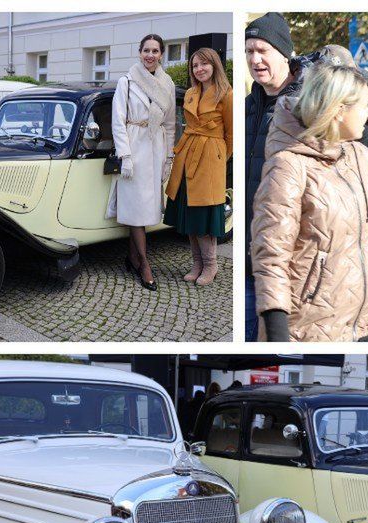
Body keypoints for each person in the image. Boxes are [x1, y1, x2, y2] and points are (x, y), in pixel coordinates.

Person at [249, 64, 368, 341]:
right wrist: (275, 327)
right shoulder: (288, 165)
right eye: (365, 106)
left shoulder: (361, 156)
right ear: (339, 110)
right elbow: (271, 253)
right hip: (309, 326)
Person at [245, 13, 302, 340]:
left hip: (285, 262)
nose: (255, 59)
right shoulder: (249, 106)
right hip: (249, 256)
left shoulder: (303, 107)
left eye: (263, 50)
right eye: (249, 50)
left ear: (284, 53)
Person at [110, 33, 176, 292]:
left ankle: (132, 258)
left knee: (147, 209)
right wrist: (124, 154)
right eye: (146, 50)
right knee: (137, 208)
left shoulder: (167, 83)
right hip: (134, 147)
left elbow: (170, 124)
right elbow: (118, 120)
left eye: (155, 51)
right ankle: (145, 265)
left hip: (156, 147)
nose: (150, 55)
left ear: (161, 54)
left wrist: (168, 157)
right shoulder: (126, 81)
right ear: (139, 53)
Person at [164, 48, 233, 286]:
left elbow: (231, 135)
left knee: (204, 215)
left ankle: (211, 265)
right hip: (188, 153)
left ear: (214, 65)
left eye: (204, 64)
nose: (199, 69)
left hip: (209, 157)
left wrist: (217, 158)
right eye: (195, 65)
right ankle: (197, 263)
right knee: (191, 213)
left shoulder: (226, 94)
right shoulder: (192, 93)